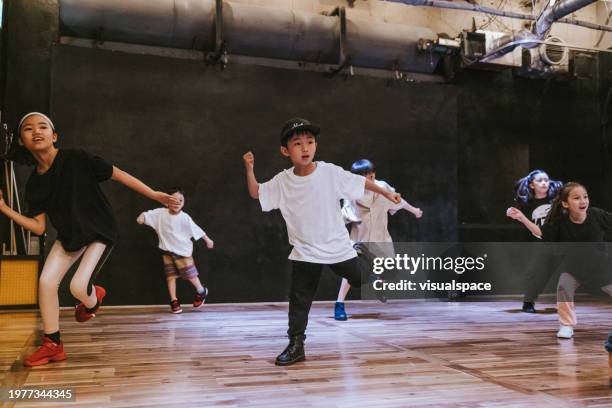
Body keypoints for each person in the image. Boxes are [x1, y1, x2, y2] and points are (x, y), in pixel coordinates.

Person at [1, 112, 177, 366]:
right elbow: (38, 228)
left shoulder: (76, 158)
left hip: (99, 231)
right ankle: (53, 345)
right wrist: (5, 209)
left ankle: (92, 301)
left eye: (43, 126)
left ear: (54, 136)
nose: (36, 131)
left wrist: (154, 194)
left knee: (76, 287)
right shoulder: (34, 185)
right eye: (28, 129)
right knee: (46, 283)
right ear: (21, 141)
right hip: (70, 236)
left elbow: (118, 174)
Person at [242, 118, 401, 366]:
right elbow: (257, 193)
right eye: (297, 143)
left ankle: (361, 255)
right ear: (285, 150)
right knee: (299, 301)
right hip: (305, 250)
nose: (305, 148)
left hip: (337, 246)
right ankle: (296, 345)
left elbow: (360, 182)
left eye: (310, 142)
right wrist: (250, 168)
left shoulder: (330, 172)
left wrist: (386, 192)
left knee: (359, 279)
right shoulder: (283, 181)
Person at [507, 182, 612, 339]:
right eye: (577, 198)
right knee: (563, 288)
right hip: (574, 269)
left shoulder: (597, 215)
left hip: (600, 268)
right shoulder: (561, 223)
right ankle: (566, 325)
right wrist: (521, 218)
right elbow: (540, 232)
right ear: (565, 203)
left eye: (585, 197)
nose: (583, 201)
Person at [334, 159, 423, 321]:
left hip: (381, 239)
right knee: (352, 274)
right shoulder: (352, 195)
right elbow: (344, 215)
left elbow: (399, 201)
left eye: (372, 176)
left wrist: (414, 210)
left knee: (389, 271)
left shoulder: (383, 188)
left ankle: (378, 284)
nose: (370, 181)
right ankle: (339, 304)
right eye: (365, 178)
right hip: (360, 241)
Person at [137, 188, 214, 314]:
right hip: (167, 251)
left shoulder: (185, 217)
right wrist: (142, 217)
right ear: (167, 201)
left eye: (180, 200)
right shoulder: (160, 213)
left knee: (190, 274)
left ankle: (201, 291)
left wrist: (208, 239)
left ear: (184, 202)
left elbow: (196, 229)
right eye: (173, 199)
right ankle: (174, 301)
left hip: (182, 251)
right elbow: (147, 215)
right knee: (171, 277)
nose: (177, 202)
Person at [507, 170, 563, 313]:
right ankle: (528, 302)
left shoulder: (556, 201)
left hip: (557, 242)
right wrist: (510, 212)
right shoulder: (526, 203)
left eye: (546, 180)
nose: (544, 183)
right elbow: (516, 215)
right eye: (540, 180)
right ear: (532, 185)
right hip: (538, 244)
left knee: (556, 274)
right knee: (536, 273)